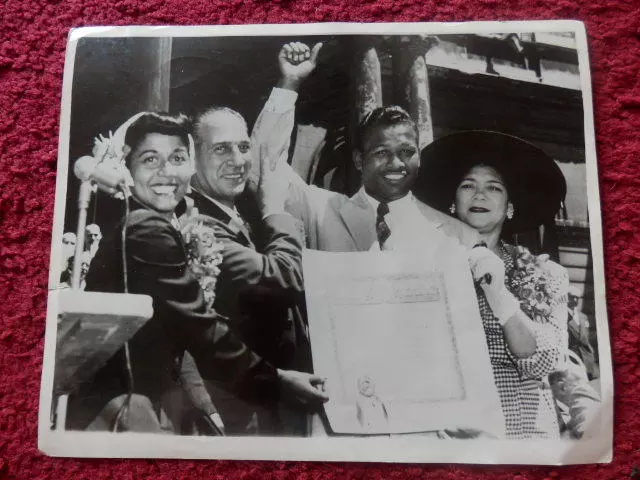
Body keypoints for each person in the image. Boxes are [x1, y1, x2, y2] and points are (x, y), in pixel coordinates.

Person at [65, 111, 328, 433]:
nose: (166, 173)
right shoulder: (145, 228)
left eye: (177, 158)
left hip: (149, 401)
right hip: (125, 410)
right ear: (126, 168)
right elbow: (200, 328)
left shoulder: (153, 223)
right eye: (150, 159)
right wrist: (277, 381)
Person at [187, 42, 324, 436]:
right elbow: (279, 279)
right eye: (221, 149)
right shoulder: (197, 223)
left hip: (275, 402)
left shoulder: (236, 203)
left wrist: (289, 82)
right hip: (236, 407)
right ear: (193, 157)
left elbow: (269, 153)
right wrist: (275, 211)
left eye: (242, 146)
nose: (237, 159)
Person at [415, 130, 570, 439]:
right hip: (446, 430)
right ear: (452, 203)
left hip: (522, 429)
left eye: (494, 187)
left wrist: (498, 294)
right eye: (468, 185)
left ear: (509, 206)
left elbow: (545, 361)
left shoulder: (546, 273)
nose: (479, 195)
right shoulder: (424, 266)